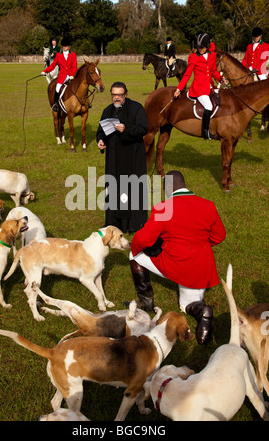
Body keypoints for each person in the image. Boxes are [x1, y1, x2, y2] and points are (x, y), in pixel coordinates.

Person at [128, 170, 226, 345]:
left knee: (134, 255)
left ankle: (146, 301)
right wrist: (199, 245)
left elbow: (143, 239)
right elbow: (219, 235)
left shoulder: (164, 208)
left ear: (168, 188)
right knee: (189, 305)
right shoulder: (208, 205)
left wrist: (135, 248)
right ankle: (202, 311)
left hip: (177, 263)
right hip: (203, 266)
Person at [96, 82, 148, 234]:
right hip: (114, 159)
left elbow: (143, 128)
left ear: (125, 94)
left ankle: (134, 225)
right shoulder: (108, 111)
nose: (116, 98)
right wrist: (100, 141)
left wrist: (127, 129)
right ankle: (114, 224)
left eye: (119, 95)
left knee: (132, 189)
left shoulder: (136, 108)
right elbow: (101, 131)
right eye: (114, 95)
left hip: (132, 157)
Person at [174, 33, 225, 140]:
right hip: (198, 88)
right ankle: (205, 132)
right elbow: (187, 74)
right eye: (198, 47)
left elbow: (213, 71)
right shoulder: (193, 57)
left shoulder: (212, 55)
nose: (200, 49)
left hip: (209, 87)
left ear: (207, 46)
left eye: (202, 47)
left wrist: (220, 79)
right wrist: (179, 89)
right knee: (208, 106)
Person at [41, 36, 77, 111]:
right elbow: (53, 65)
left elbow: (74, 67)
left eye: (66, 46)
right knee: (57, 89)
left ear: (69, 46)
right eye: (63, 46)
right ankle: (55, 105)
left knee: (81, 85)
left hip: (71, 76)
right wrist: (45, 71)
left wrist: (72, 75)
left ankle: (85, 103)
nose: (64, 47)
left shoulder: (73, 54)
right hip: (62, 76)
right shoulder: (58, 55)